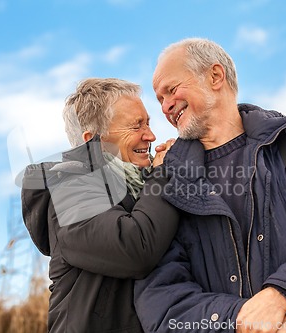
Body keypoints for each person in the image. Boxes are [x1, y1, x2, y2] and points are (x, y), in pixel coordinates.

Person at [134, 37, 286, 333]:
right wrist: (245, 319)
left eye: (171, 90)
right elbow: (160, 298)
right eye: (159, 100)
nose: (166, 106)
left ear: (215, 76)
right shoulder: (167, 181)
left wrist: (281, 296)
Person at [21, 78, 178, 333]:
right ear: (92, 142)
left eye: (148, 122)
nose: (150, 135)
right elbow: (135, 248)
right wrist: (162, 175)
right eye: (136, 125)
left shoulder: (141, 186)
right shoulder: (71, 187)